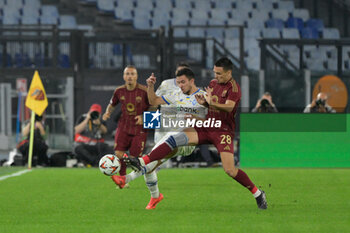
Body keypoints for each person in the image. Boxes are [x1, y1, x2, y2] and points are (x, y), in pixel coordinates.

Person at [123, 57, 268, 209]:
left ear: (228, 73)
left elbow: (229, 108)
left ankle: (258, 193)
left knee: (230, 170)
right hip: (204, 125)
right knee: (174, 139)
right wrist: (204, 103)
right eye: (214, 73)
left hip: (221, 129)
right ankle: (141, 162)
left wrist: (210, 103)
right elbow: (154, 102)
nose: (215, 76)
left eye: (219, 74)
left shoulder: (235, 89)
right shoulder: (209, 84)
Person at [111, 67, 207, 209]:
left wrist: (197, 118)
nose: (180, 85)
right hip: (167, 132)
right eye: (178, 81)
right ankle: (155, 196)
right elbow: (153, 101)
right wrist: (150, 86)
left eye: (182, 82)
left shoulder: (204, 96)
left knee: (163, 145)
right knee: (151, 163)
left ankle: (126, 178)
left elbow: (214, 120)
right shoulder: (172, 90)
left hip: (188, 141)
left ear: (191, 80)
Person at [102, 65, 152, 176]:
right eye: (127, 74)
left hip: (139, 128)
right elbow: (112, 104)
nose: (130, 76)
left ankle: (144, 173)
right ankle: (123, 178)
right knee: (119, 154)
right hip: (123, 126)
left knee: (134, 159)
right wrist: (107, 112)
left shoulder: (144, 91)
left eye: (132, 74)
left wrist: (144, 117)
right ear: (124, 76)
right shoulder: (119, 91)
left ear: (136, 76)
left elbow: (154, 106)